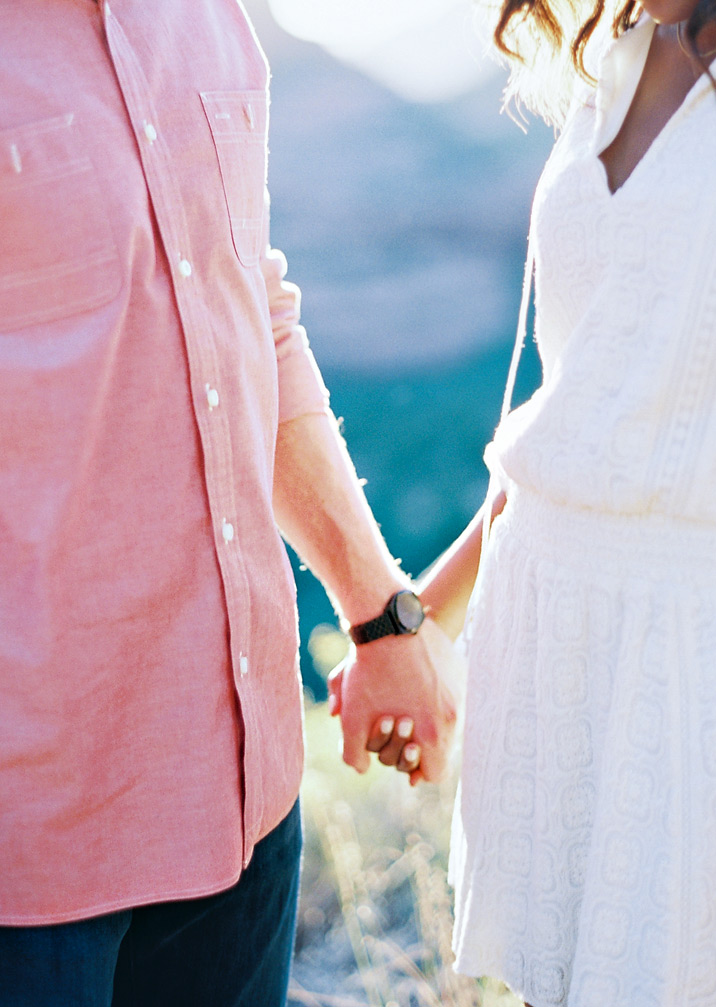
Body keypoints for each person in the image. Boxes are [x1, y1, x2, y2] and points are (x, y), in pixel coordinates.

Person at [0, 2, 458, 1004]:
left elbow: (248, 307)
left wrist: (381, 616)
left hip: (242, 798)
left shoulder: (206, 14)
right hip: (30, 841)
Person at [330, 0, 716, 1003]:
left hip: (702, 654)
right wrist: (413, 622)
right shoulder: (619, 58)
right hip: (556, 634)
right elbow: (570, 418)